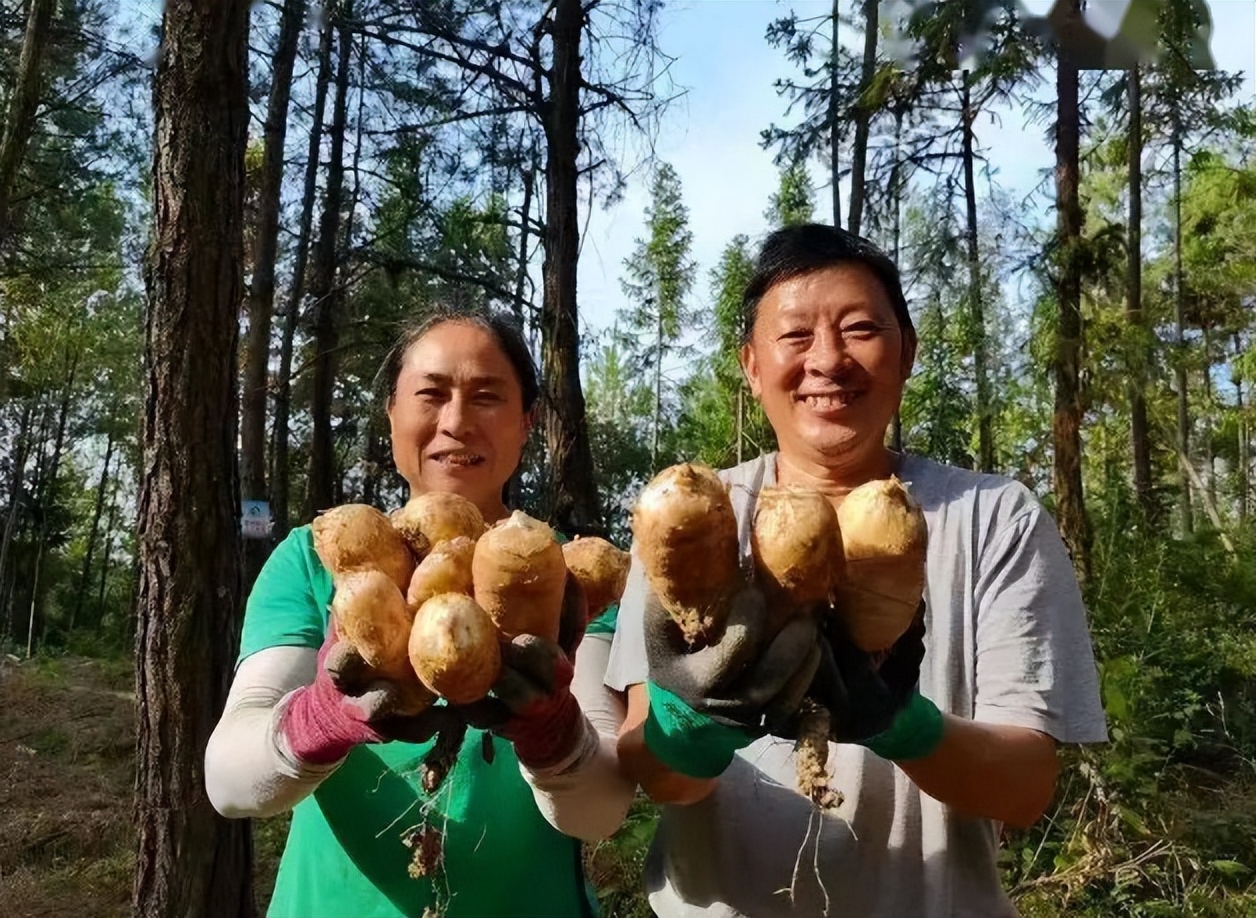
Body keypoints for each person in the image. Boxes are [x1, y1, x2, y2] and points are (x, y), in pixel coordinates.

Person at [606, 223, 1108, 917]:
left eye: (860, 328)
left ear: (908, 354)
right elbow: (658, 778)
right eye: (795, 336)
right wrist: (693, 725)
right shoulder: (688, 516)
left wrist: (900, 724)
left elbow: (1024, 788)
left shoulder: (996, 517)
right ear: (752, 368)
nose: (828, 360)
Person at [205, 308, 635, 918]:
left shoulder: (563, 580)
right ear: (392, 414)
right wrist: (319, 718)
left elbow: (601, 809)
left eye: (488, 397)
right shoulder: (315, 558)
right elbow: (229, 781)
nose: (456, 423)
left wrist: (553, 730)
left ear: (526, 424)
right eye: (431, 394)